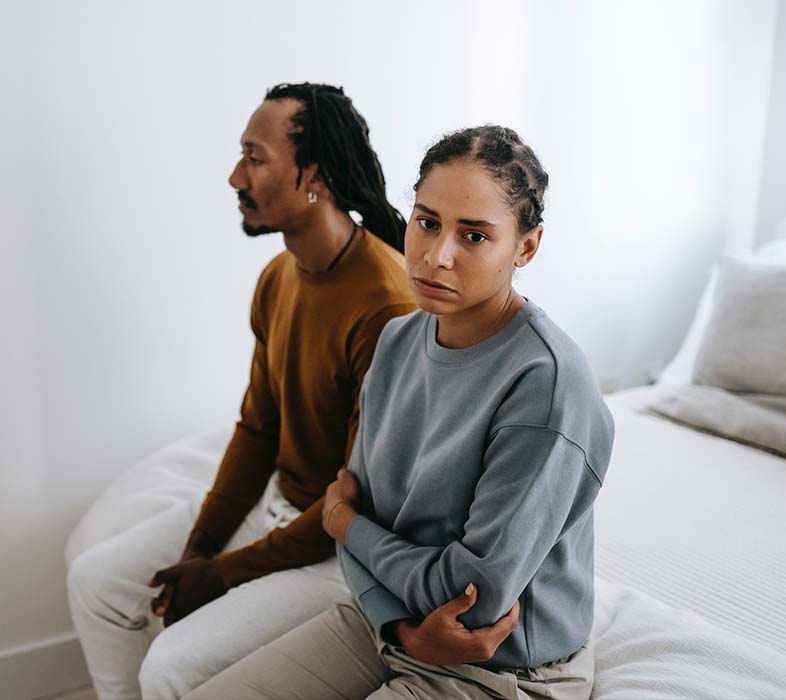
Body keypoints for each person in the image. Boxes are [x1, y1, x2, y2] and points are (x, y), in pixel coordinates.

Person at [183, 125, 615, 700]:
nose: (437, 256)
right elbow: (355, 504)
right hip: (388, 624)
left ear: (526, 247)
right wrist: (399, 623)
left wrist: (348, 527)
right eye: (427, 222)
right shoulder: (397, 342)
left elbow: (474, 594)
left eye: (475, 236)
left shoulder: (546, 385)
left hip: (502, 667)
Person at [65, 83, 417, 700]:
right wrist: (199, 547)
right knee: (97, 583)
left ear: (316, 176)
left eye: (255, 158)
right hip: (279, 507)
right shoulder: (279, 277)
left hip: (337, 548)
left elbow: (361, 500)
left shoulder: (385, 305)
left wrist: (221, 574)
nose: (235, 176)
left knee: (169, 667)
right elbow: (258, 429)